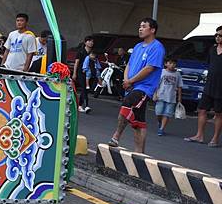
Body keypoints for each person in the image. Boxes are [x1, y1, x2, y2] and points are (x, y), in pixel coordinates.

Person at [108, 18, 165, 153]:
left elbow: (149, 69)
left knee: (127, 103)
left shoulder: (157, 48)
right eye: (139, 26)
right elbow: (129, 64)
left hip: (144, 88)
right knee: (139, 122)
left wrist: (131, 81)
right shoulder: (138, 46)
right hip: (131, 85)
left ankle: (116, 136)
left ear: (152, 30)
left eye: (144, 26)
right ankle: (139, 153)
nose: (140, 29)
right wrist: (126, 80)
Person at [185, 25, 222, 147]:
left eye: (220, 35)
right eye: (216, 35)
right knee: (201, 109)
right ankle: (199, 135)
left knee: (218, 113)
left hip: (220, 88)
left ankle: (215, 139)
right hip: (209, 85)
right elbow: (209, 65)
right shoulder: (212, 50)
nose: (217, 37)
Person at [153, 57, 183, 136]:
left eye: (174, 63)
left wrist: (179, 97)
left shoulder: (177, 74)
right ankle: (160, 121)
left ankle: (161, 129)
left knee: (167, 113)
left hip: (171, 97)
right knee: (158, 112)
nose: (172, 65)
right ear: (166, 64)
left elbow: (179, 86)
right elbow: (156, 84)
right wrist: (155, 94)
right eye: (170, 63)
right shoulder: (162, 72)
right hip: (161, 96)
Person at [73, 36, 94, 114]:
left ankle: (80, 105)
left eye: (92, 41)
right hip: (81, 72)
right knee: (83, 88)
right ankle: (84, 105)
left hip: (89, 74)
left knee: (86, 89)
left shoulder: (92, 52)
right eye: (89, 41)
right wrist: (74, 73)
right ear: (85, 42)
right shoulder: (80, 51)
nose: (91, 43)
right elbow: (76, 63)